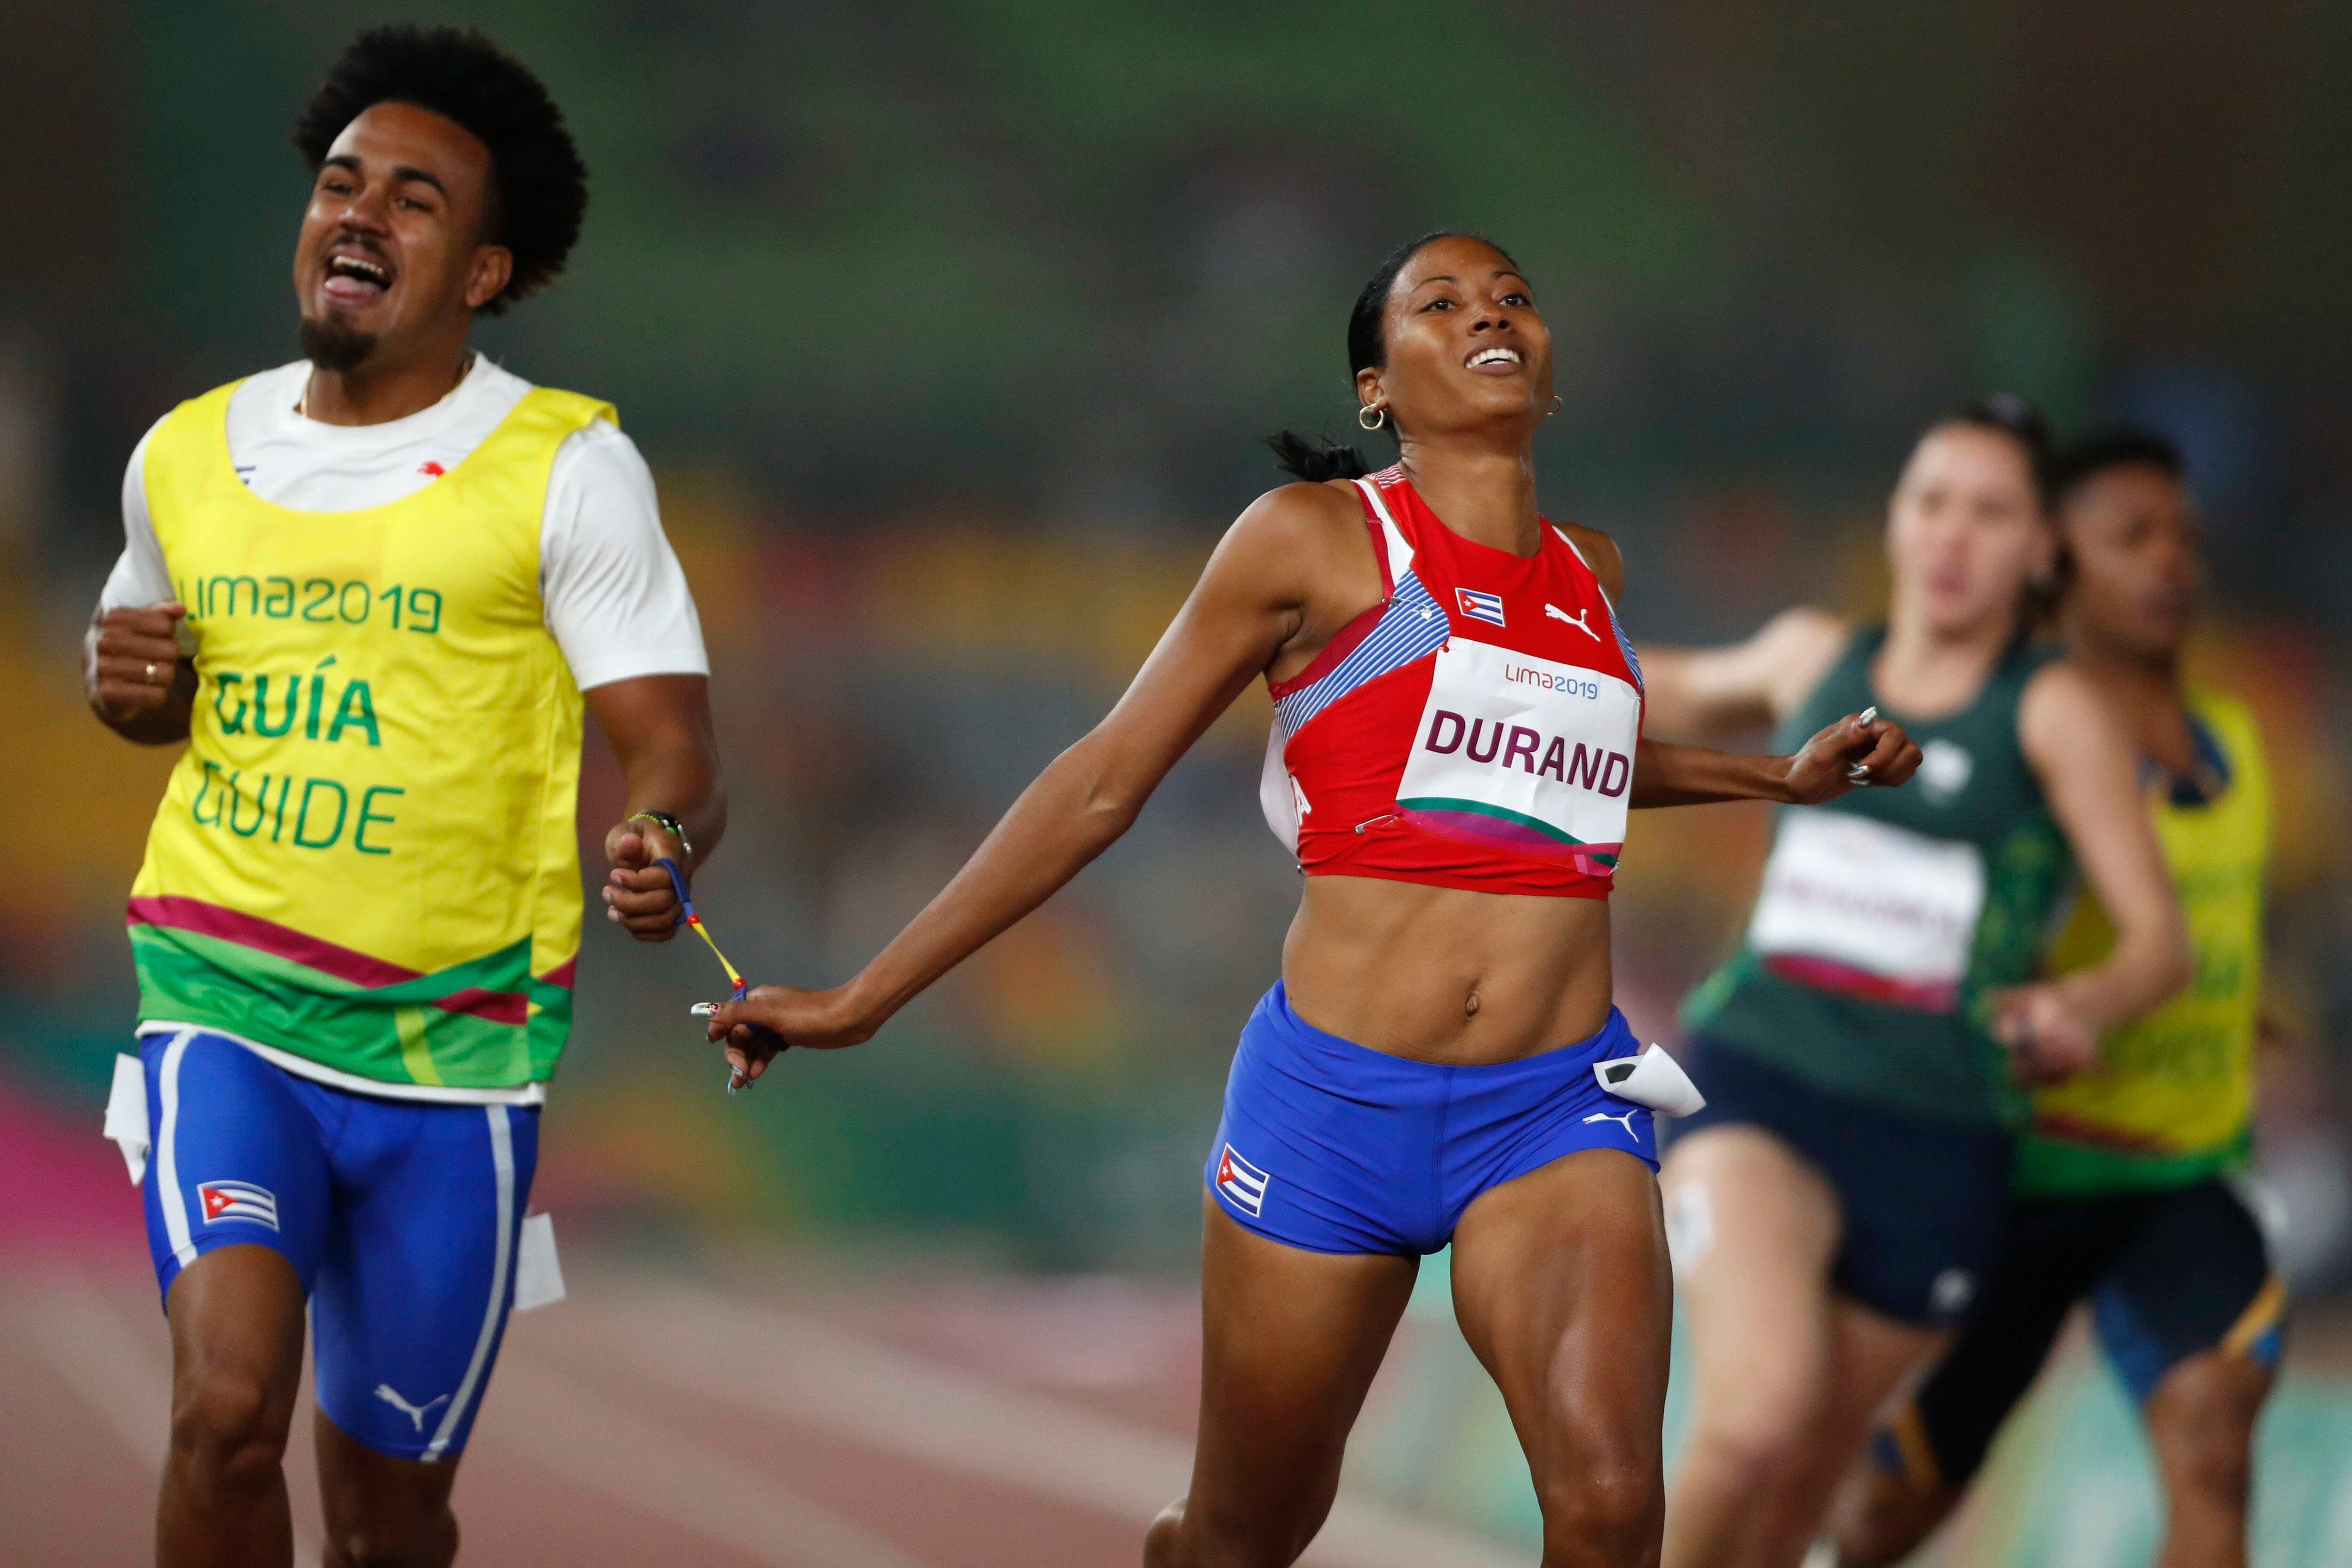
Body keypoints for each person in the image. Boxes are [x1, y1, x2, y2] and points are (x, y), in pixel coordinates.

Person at [703, 231, 1920, 1568]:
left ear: (1551, 375)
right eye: (1442, 303)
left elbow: (1563, 773)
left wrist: (1777, 779)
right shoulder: (1316, 543)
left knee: (1613, 1506)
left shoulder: (1593, 575)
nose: (1490, 312)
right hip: (1334, 1108)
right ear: (1375, 391)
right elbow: (1105, 778)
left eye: (1513, 297)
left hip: (1555, 1100)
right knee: (1247, 1529)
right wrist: (866, 995)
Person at [82, 27, 722, 1568]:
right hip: (223, 1007)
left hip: (456, 1064)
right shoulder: (183, 454)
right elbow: (140, 680)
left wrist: (663, 844)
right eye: (341, 183)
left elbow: (675, 746)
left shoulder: (566, 467)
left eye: (415, 199)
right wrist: (126, 696)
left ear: (486, 271)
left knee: (390, 1517)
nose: (358, 213)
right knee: (222, 1412)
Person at [1637, 398, 2191, 1568]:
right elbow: (1641, 684)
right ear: (1893, 519)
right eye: (1930, 501)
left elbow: (2158, 944)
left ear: (2041, 548)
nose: (1950, 536)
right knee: (1752, 1419)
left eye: (1988, 513)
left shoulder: (2052, 710)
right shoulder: (1810, 656)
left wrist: (2076, 1006)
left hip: (1937, 1141)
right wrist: (1486, 655)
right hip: (1760, 1081)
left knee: (1797, 1497)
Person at [1827, 429, 2283, 1568]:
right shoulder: (2025, 750)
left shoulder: (2240, 743)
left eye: (2182, 534)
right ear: (2054, 564)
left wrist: (2242, 1006)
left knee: (2213, 1438)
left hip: (2171, 1180)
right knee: (1886, 1514)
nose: (2170, 560)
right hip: (2012, 1186)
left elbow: (2209, 933)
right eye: (2131, 536)